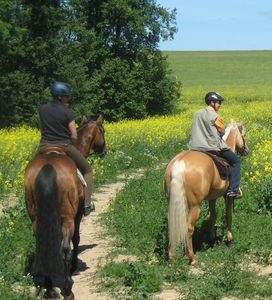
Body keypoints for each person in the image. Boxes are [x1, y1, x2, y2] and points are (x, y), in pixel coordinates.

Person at [38, 81, 95, 216]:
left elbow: (42, 128)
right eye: (66, 96)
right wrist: (72, 144)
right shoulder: (68, 113)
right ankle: (87, 205)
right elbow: (74, 135)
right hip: (64, 146)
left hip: (44, 145)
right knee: (88, 170)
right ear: (60, 97)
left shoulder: (42, 109)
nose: (67, 99)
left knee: (30, 169)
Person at [188, 91, 241, 198]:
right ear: (212, 103)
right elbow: (222, 131)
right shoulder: (215, 116)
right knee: (236, 161)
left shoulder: (197, 113)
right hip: (211, 147)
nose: (220, 105)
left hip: (194, 147)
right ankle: (233, 190)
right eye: (219, 102)